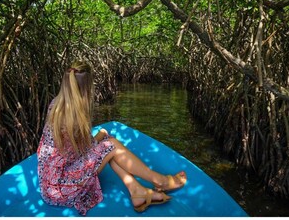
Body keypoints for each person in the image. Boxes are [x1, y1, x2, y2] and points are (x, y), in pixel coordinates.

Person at [37, 60, 187, 216]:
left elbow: (75, 152)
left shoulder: (56, 105)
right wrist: (101, 136)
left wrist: (100, 136)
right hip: (62, 189)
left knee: (106, 143)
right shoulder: (73, 117)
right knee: (112, 145)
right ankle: (160, 181)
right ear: (88, 86)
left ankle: (137, 191)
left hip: (50, 185)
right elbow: (85, 151)